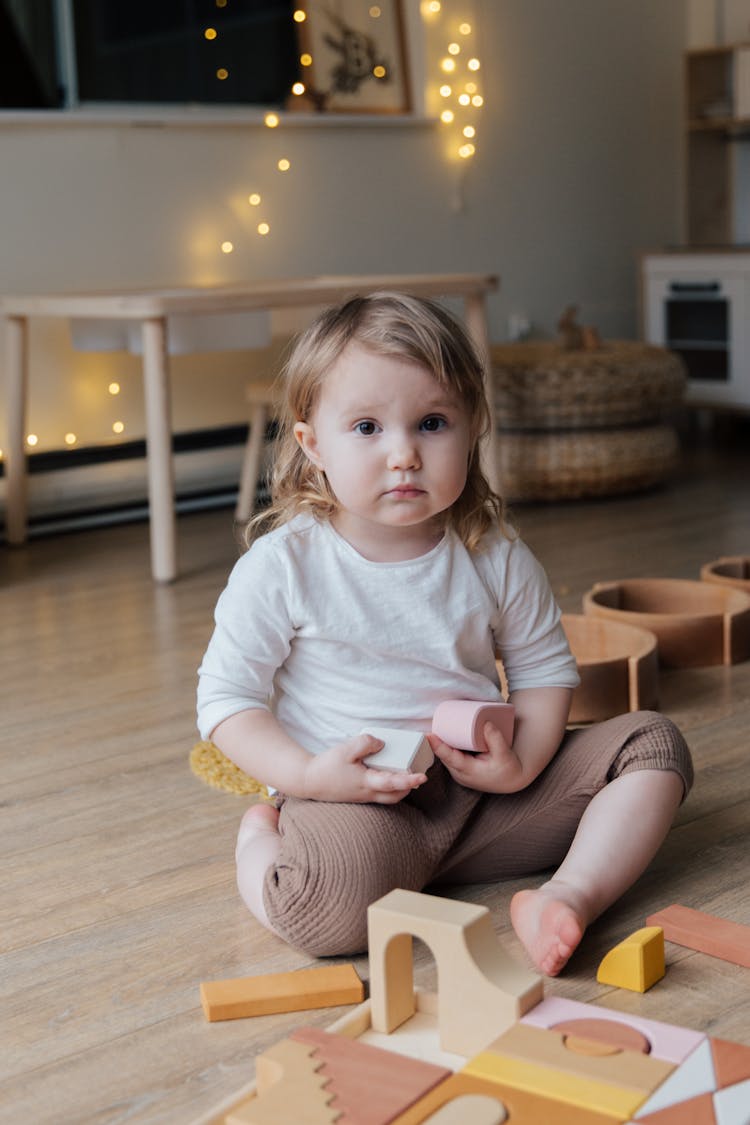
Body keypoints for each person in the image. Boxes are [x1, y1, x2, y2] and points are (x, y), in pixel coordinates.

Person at [197, 292, 692, 976]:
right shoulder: (286, 565)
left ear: (471, 428)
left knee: (652, 745)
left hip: (486, 798)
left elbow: (545, 673)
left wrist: (522, 760)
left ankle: (565, 895)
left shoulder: (494, 553)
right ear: (313, 445)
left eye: (431, 422)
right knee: (328, 917)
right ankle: (261, 847)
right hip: (358, 804)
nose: (403, 454)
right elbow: (226, 700)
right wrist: (307, 774)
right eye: (367, 427)